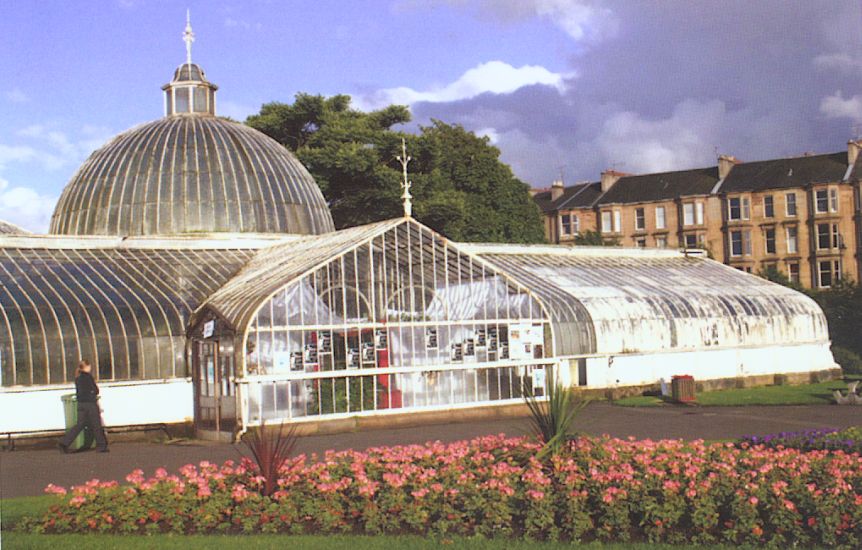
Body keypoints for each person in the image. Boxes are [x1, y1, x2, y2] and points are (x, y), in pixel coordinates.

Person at [58, 360, 109, 453]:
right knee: (96, 424)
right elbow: (95, 390)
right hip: (90, 403)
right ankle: (101, 445)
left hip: (81, 404)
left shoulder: (77, 378)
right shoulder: (88, 377)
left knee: (80, 425)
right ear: (87, 367)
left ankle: (64, 442)